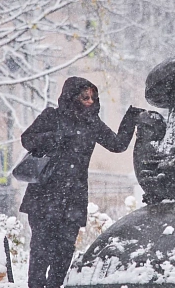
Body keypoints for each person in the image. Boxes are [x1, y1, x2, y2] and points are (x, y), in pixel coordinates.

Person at [19, 76, 143, 288]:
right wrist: (56, 136)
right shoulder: (52, 116)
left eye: (93, 97)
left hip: (72, 198)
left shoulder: (91, 124)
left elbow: (117, 144)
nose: (90, 101)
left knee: (64, 253)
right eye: (85, 97)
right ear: (72, 97)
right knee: (41, 251)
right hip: (44, 196)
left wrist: (131, 117)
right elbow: (27, 139)